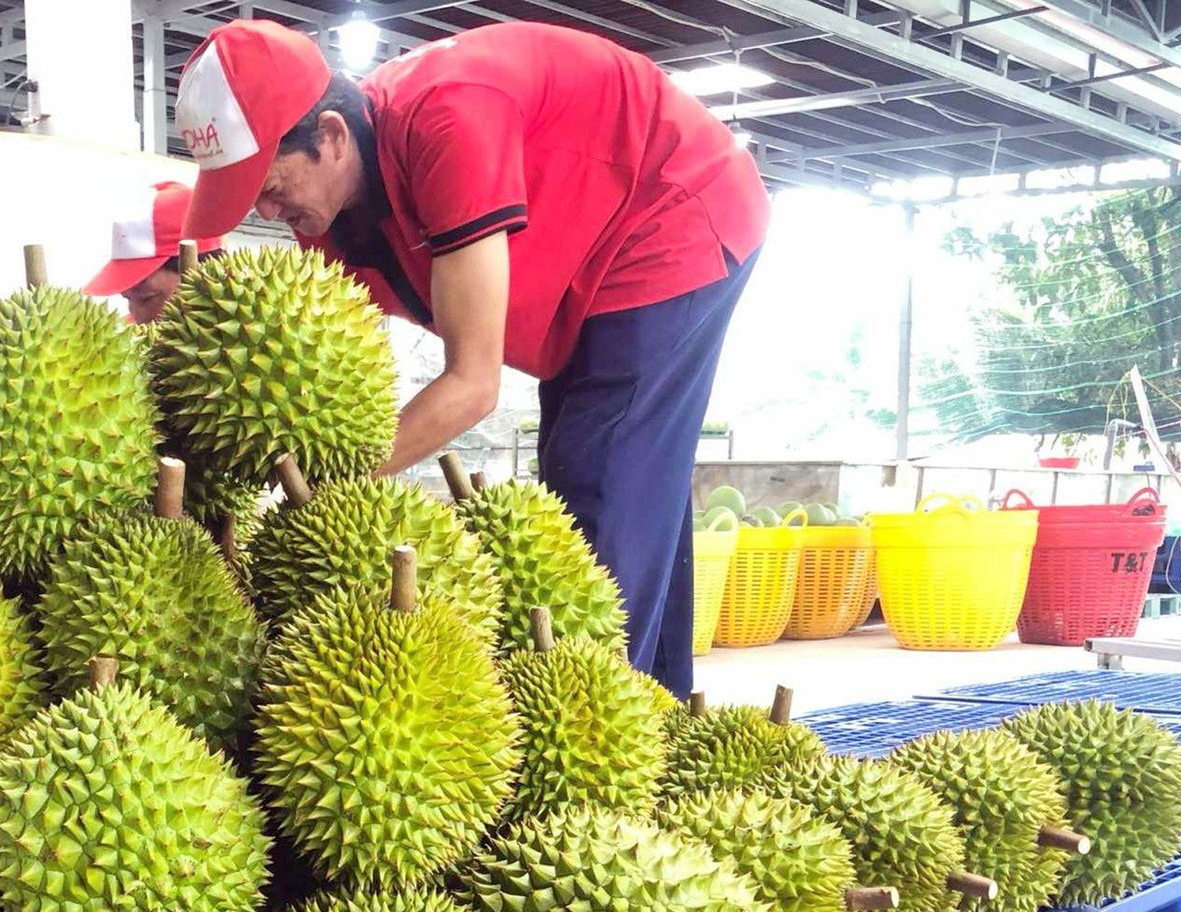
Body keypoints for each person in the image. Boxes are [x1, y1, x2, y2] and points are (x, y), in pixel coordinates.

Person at [174, 20, 770, 695]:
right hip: (584, 277)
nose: (265, 208)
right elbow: (334, 388)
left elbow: (472, 383)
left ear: (332, 136)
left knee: (600, 487)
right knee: (629, 488)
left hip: (673, 209)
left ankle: (600, 737)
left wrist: (326, 488)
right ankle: (660, 710)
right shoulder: (330, 228)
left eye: (272, 187)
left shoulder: (448, 119)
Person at [82, 180, 227, 324]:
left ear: (207, 278)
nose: (138, 317)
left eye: (147, 298)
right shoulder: (127, 334)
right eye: (128, 299)